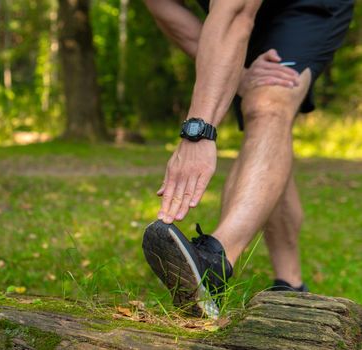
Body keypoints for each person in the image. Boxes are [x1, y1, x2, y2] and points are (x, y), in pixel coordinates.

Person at [141, 0, 354, 318]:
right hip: (230, 14)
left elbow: (236, 11)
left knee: (267, 102)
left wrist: (199, 132)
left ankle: (215, 262)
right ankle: (291, 285)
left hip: (305, 5)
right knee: (265, 136)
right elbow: (164, 8)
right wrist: (239, 75)